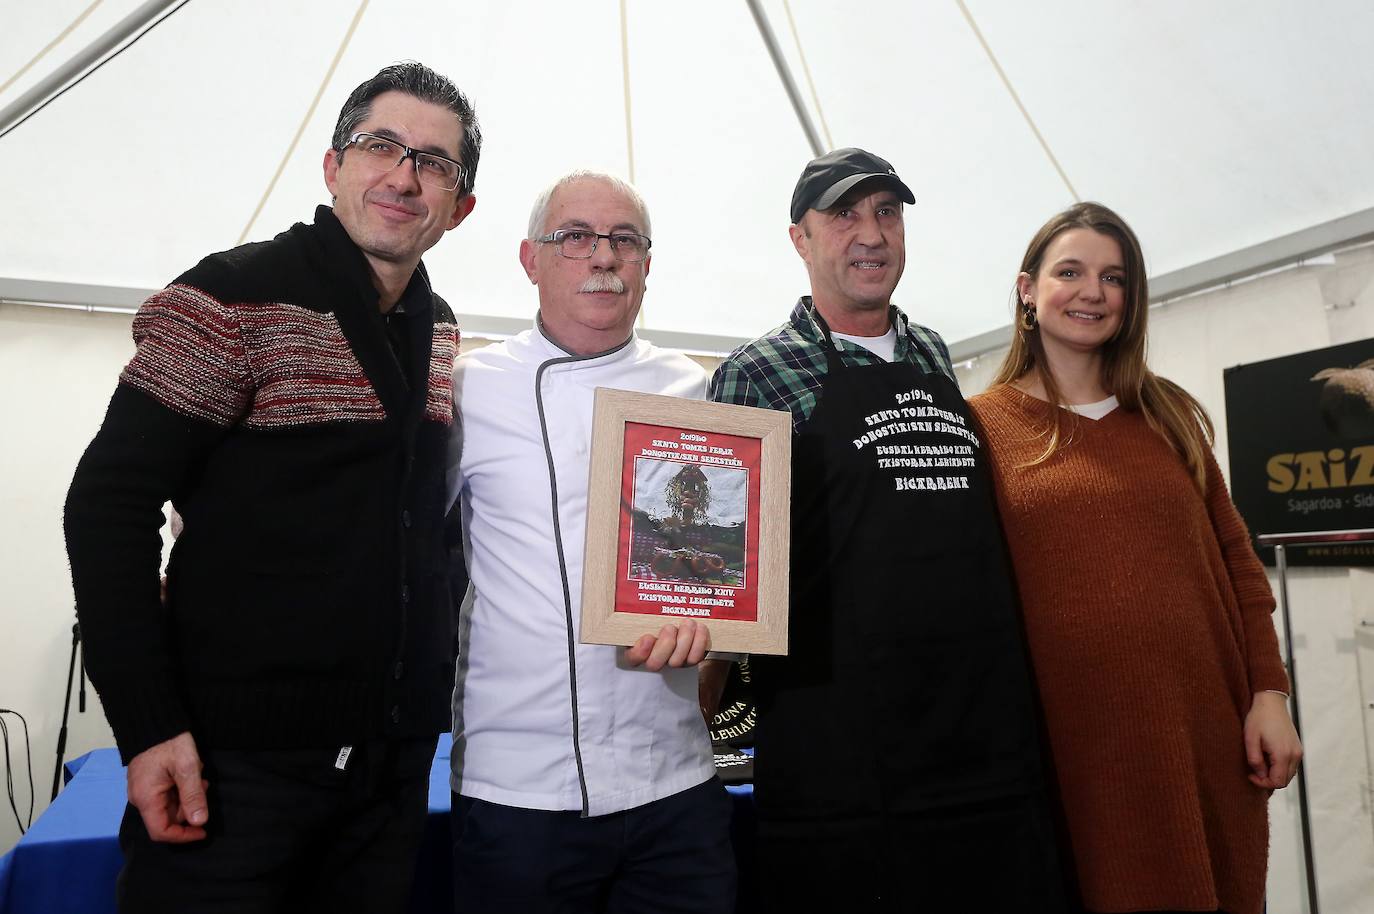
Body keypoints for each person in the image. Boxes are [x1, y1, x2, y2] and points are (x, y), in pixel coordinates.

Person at [63, 61, 480, 913]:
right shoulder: (230, 296)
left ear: (460, 206)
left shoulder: (435, 330)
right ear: (333, 167)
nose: (404, 175)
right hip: (235, 772)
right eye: (381, 146)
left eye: (434, 162)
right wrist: (147, 726)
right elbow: (108, 505)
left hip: (388, 769)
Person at [709, 148, 1067, 912]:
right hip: (840, 749)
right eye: (844, 215)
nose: (871, 234)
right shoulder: (755, 375)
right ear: (800, 240)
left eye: (887, 212)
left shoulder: (938, 357)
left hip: (972, 735)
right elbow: (722, 575)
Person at [968, 202, 1302, 914]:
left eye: (1114, 278)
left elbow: (1240, 566)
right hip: (1072, 745)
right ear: (1027, 289)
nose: (1093, 291)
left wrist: (1269, 695)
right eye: (1071, 272)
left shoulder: (1167, 414)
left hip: (1203, 734)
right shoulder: (979, 427)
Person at [445, 170, 736, 914]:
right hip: (517, 786)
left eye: (624, 240)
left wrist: (718, 632)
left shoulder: (695, 393)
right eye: (575, 237)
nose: (602, 256)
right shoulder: (467, 388)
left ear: (646, 263)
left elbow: (726, 572)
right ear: (530, 258)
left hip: (672, 776)